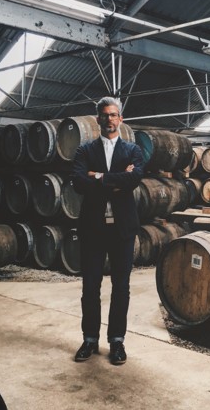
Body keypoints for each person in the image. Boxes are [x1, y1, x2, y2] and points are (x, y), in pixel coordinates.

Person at [71, 96, 144, 365]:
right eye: (105, 115)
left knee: (121, 287)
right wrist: (115, 180)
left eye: (114, 115)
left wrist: (97, 177)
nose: (110, 119)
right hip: (93, 227)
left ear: (120, 119)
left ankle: (117, 342)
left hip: (123, 229)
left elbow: (135, 178)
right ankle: (90, 339)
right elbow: (78, 182)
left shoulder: (133, 151)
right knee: (90, 286)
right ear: (98, 119)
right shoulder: (85, 150)